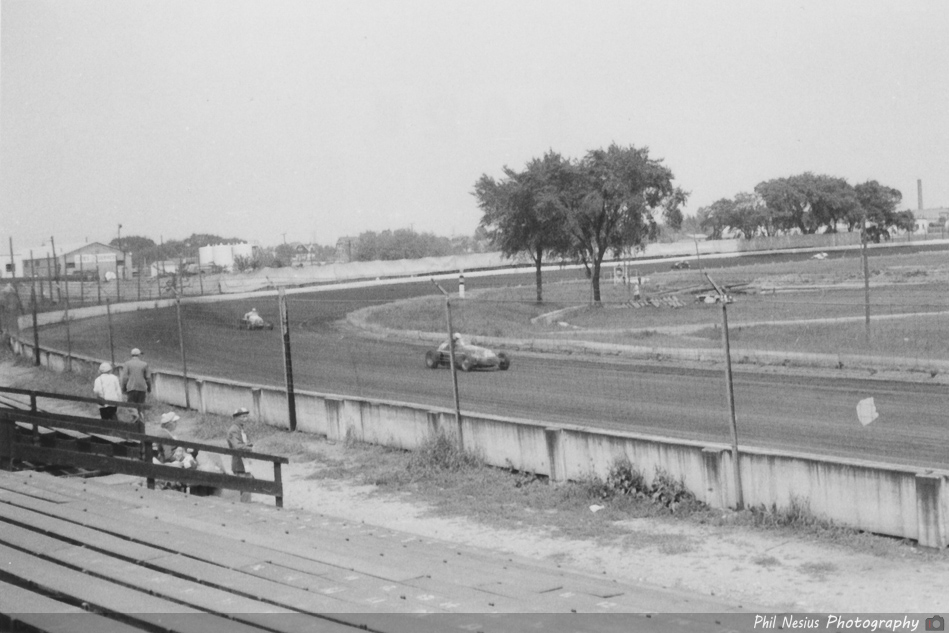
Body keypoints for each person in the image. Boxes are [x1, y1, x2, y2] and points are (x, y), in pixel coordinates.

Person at [227, 407, 254, 502]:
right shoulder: (234, 430)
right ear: (236, 418)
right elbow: (237, 446)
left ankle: (246, 503)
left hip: (245, 461)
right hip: (239, 462)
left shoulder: (241, 429)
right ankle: (245, 504)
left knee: (248, 483)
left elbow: (246, 442)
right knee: (245, 484)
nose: (245, 419)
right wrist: (250, 448)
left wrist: (249, 445)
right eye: (242, 417)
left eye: (246, 417)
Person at [121, 348, 151, 421]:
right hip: (141, 388)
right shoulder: (144, 364)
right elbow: (148, 378)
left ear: (131, 355)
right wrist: (149, 388)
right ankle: (141, 422)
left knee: (131, 406)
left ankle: (135, 419)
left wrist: (123, 388)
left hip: (131, 388)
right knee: (141, 406)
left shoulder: (127, 364)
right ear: (139, 355)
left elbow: (124, 378)